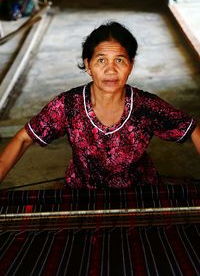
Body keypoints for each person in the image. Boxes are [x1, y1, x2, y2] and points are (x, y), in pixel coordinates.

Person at [0, 21, 200, 188]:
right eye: (101, 60)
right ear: (88, 65)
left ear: (131, 65)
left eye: (120, 60)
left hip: (139, 195)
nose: (110, 70)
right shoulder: (68, 105)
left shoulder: (146, 106)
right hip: (83, 197)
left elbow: (192, 129)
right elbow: (24, 139)